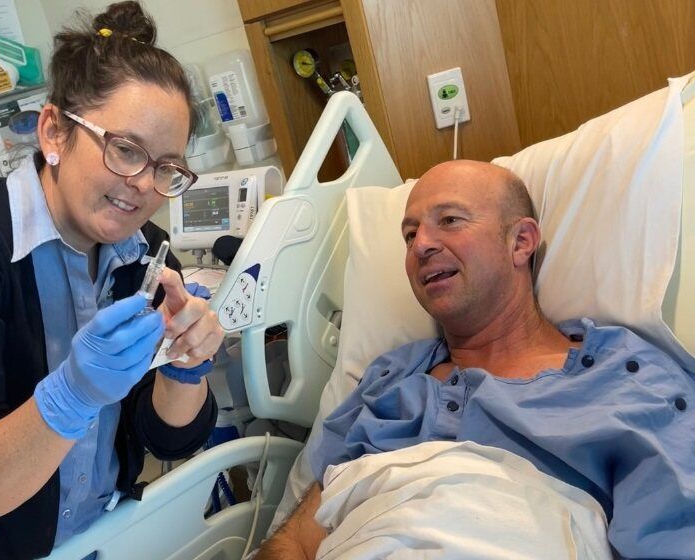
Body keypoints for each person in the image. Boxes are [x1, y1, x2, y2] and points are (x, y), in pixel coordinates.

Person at [0, 3, 224, 558]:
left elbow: (167, 439)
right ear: (54, 131)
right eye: (125, 150)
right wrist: (72, 395)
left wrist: (185, 368)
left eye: (167, 168)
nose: (144, 184)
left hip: (100, 535)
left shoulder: (142, 256)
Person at [256, 160, 695, 559]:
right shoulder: (389, 382)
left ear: (521, 241)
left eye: (449, 220)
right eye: (410, 234)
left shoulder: (625, 379)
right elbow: (297, 538)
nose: (421, 245)